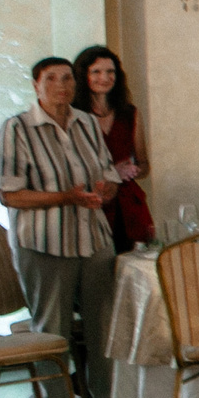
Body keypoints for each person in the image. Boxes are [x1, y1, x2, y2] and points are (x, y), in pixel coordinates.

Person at [0, 55, 120, 398]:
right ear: (36, 85)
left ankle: (107, 397)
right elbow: (10, 194)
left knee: (103, 320)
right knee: (52, 325)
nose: (61, 85)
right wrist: (66, 197)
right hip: (44, 242)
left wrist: (104, 191)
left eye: (67, 78)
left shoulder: (87, 124)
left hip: (93, 238)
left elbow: (109, 174)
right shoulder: (17, 128)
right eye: (51, 79)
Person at [72, 44, 154, 251]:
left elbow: (144, 164)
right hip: (91, 202)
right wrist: (112, 172)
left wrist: (133, 170)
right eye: (96, 72)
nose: (105, 78)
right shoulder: (73, 115)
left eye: (110, 72)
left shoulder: (129, 113)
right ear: (83, 75)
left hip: (127, 204)